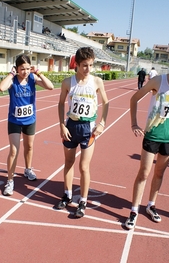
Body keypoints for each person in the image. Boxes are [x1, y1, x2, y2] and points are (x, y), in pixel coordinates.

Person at [125, 51, 169, 230]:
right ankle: (133, 210)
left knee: (159, 173)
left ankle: (150, 205)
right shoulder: (158, 81)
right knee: (144, 173)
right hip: (152, 135)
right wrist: (134, 124)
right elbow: (134, 99)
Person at [55, 47, 109, 218]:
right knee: (69, 162)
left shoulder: (97, 82)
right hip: (71, 126)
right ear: (76, 64)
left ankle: (83, 201)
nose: (88, 69)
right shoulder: (67, 82)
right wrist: (62, 125)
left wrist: (102, 123)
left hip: (88, 129)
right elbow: (60, 103)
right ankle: (67, 195)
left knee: (84, 166)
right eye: (84, 65)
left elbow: (106, 103)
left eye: (91, 65)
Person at [0, 55, 54, 196]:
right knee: (14, 151)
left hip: (30, 120)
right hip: (15, 121)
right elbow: (1, 87)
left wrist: (38, 73)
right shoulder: (12, 81)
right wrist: (11, 74)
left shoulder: (32, 79)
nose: (25, 72)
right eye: (22, 69)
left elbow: (50, 87)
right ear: (16, 68)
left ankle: (28, 169)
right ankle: (10, 181)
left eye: (28, 68)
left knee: (29, 147)